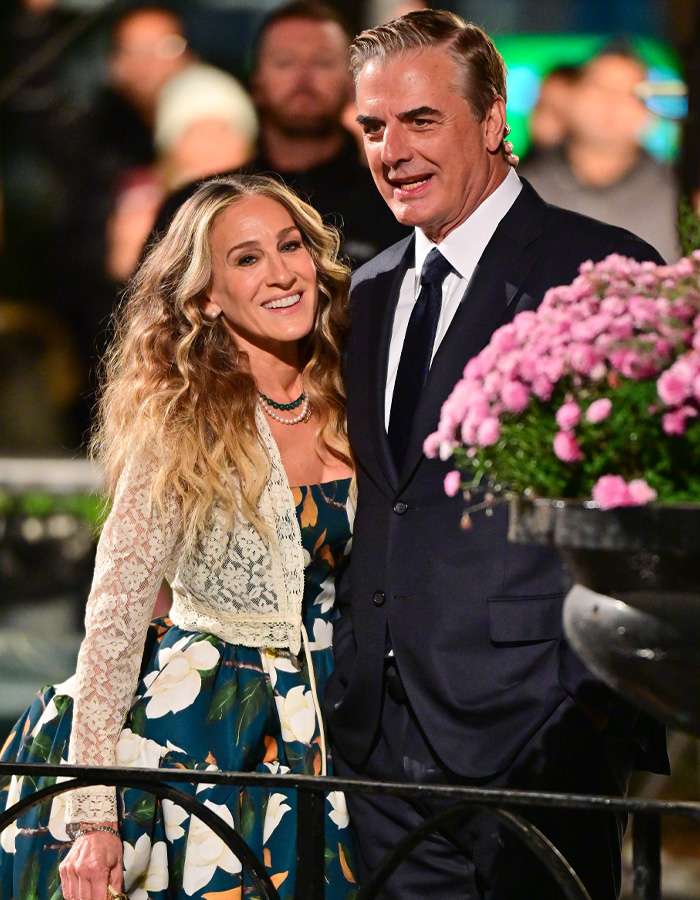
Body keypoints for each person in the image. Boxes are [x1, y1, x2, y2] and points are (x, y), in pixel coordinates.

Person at [323, 10, 669, 900]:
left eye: (421, 120)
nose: (393, 151)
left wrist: (585, 702)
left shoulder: (599, 274)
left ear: (490, 121)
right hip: (377, 739)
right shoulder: (366, 292)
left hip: (539, 733)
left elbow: (649, 509)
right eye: (374, 126)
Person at [0, 174, 357, 900]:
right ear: (207, 296)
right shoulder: (180, 423)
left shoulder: (356, 393)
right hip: (207, 736)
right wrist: (93, 813)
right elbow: (114, 618)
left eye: (291, 246)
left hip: (341, 723)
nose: (282, 272)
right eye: (247, 259)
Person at [153, 1, 409, 269]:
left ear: (352, 82)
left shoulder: (399, 204)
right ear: (257, 82)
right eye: (285, 62)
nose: (304, 78)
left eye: (322, 62)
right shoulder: (198, 210)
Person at [520, 48, 682, 262]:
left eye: (631, 93)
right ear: (572, 97)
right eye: (600, 87)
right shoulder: (519, 191)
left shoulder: (680, 196)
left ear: (648, 112)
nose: (612, 102)